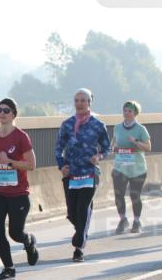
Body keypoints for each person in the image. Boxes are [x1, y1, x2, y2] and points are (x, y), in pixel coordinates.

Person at [0, 97, 39, 280]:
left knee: (15, 233)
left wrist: (9, 162)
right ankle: (9, 268)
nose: (2, 113)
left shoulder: (21, 137)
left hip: (18, 195)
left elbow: (31, 165)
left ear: (14, 114)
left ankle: (28, 241)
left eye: (6, 110)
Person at [55, 88, 111, 261]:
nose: (79, 103)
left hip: (89, 173)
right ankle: (81, 231)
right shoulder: (67, 124)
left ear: (89, 102)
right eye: (77, 100)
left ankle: (79, 246)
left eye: (83, 100)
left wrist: (98, 156)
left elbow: (107, 147)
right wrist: (61, 165)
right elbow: (58, 147)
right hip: (71, 174)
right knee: (72, 212)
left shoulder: (98, 124)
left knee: (83, 208)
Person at [110, 100, 152, 234]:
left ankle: (137, 221)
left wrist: (136, 142)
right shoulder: (117, 127)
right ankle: (123, 219)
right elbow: (113, 144)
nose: (126, 113)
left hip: (137, 169)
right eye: (125, 110)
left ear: (135, 113)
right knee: (118, 195)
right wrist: (114, 148)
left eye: (129, 111)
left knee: (135, 195)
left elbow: (148, 147)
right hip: (120, 167)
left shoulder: (141, 129)